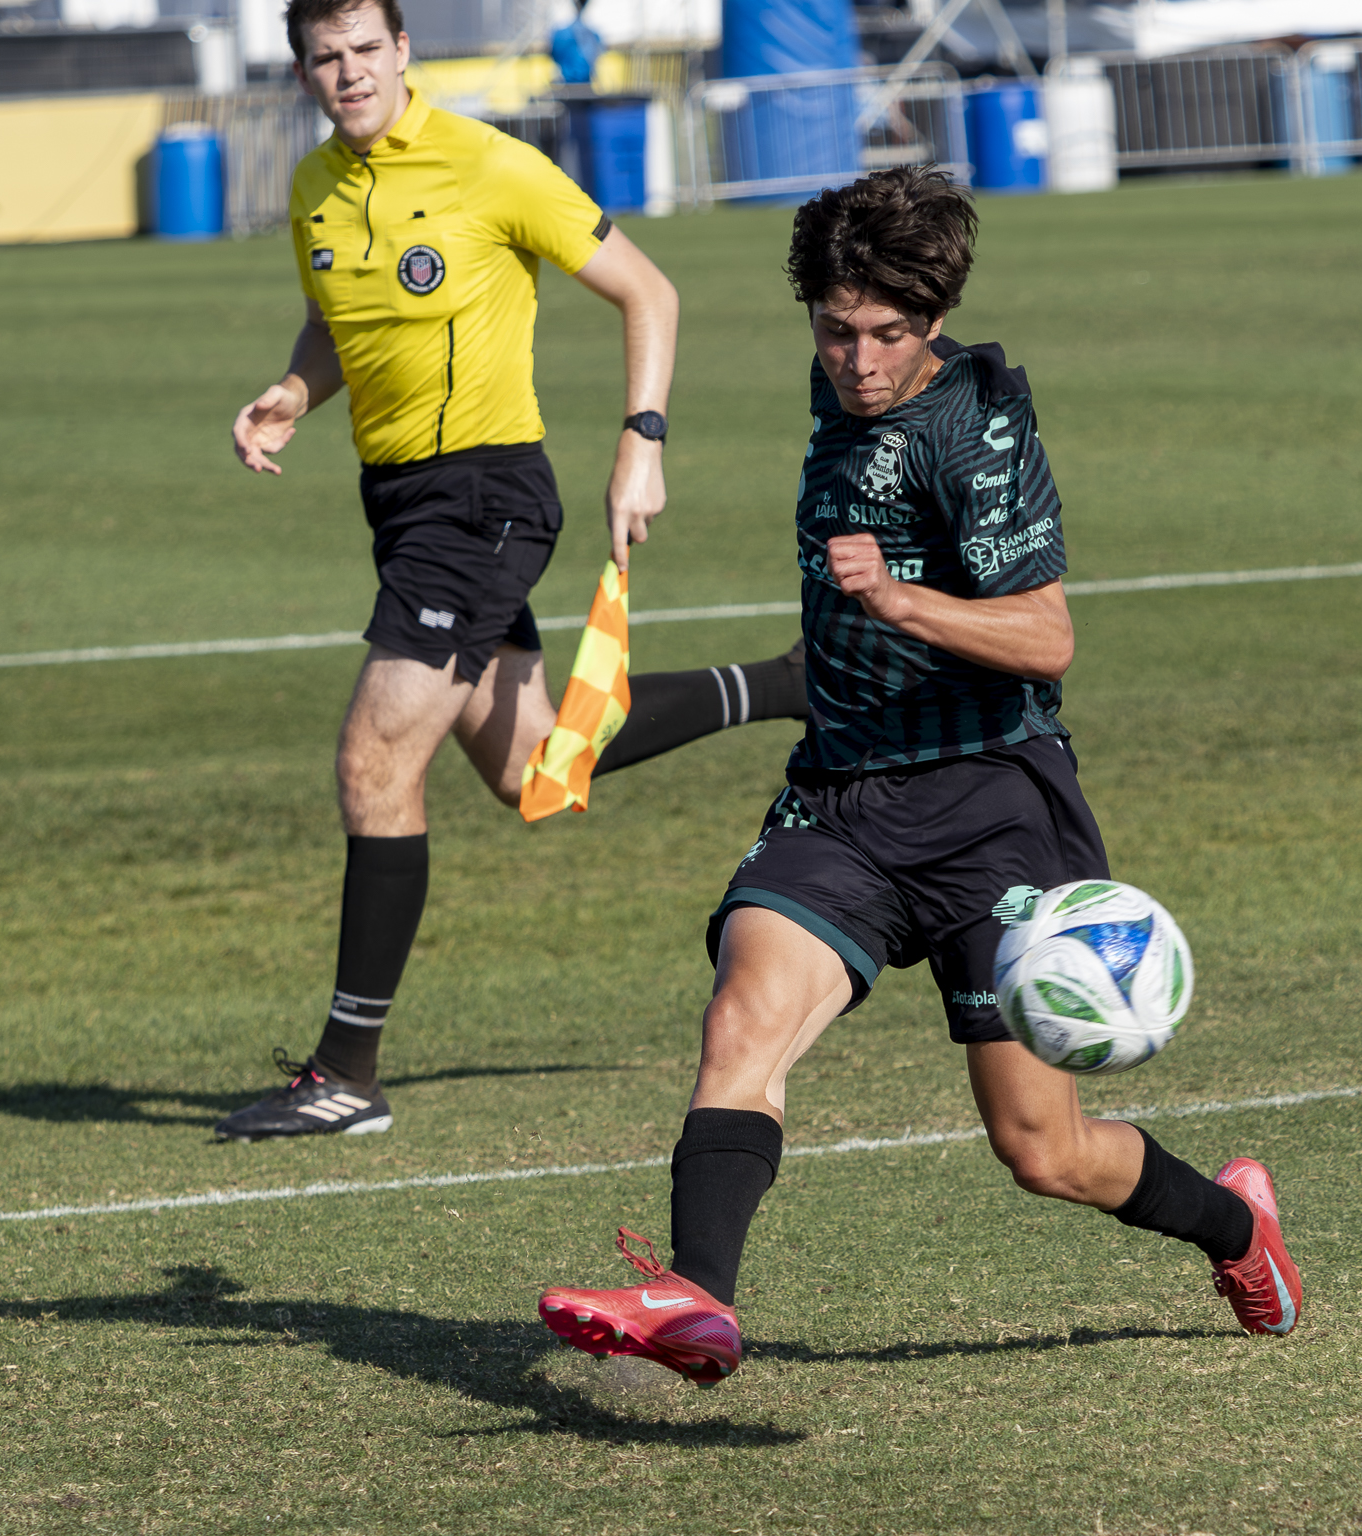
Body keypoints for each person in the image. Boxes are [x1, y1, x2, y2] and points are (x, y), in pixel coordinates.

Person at [537, 168, 1302, 1386]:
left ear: (931, 317)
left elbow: (1046, 638)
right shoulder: (836, 379)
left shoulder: (977, 432)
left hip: (991, 800)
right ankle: (694, 1299)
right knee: (741, 1019)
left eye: (886, 335)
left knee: (1040, 1149)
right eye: (834, 331)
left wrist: (895, 595)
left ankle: (1234, 1224)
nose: (857, 360)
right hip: (841, 797)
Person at [217, 0, 803, 1143]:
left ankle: (347, 1071)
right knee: (537, 767)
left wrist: (641, 443)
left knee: (375, 754)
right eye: (323, 58)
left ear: (401, 53)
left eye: (362, 51)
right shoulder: (313, 190)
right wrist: (292, 393)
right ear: (305, 73)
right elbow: (336, 320)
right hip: (398, 502)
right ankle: (790, 685)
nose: (346, 73)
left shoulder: (491, 165)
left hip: (482, 495)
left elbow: (650, 290)